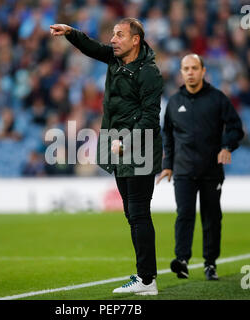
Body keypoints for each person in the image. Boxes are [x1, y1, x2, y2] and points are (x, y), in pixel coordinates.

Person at [50, 17, 163, 295]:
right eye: (113, 34)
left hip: (139, 147)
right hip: (117, 145)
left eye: (120, 35)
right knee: (131, 214)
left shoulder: (148, 72)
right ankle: (145, 277)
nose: (113, 40)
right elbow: (92, 47)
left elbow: (150, 117)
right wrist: (71, 33)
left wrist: (126, 141)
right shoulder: (114, 60)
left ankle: (147, 279)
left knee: (138, 213)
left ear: (135, 40)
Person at [157, 54, 244, 281]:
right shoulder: (174, 101)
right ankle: (182, 260)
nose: (190, 72)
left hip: (210, 171)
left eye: (194, 68)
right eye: (186, 68)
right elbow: (167, 135)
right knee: (184, 215)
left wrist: (227, 146)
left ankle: (210, 264)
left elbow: (236, 128)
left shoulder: (217, 99)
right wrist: (168, 165)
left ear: (203, 71)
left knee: (211, 217)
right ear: (181, 72)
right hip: (183, 170)